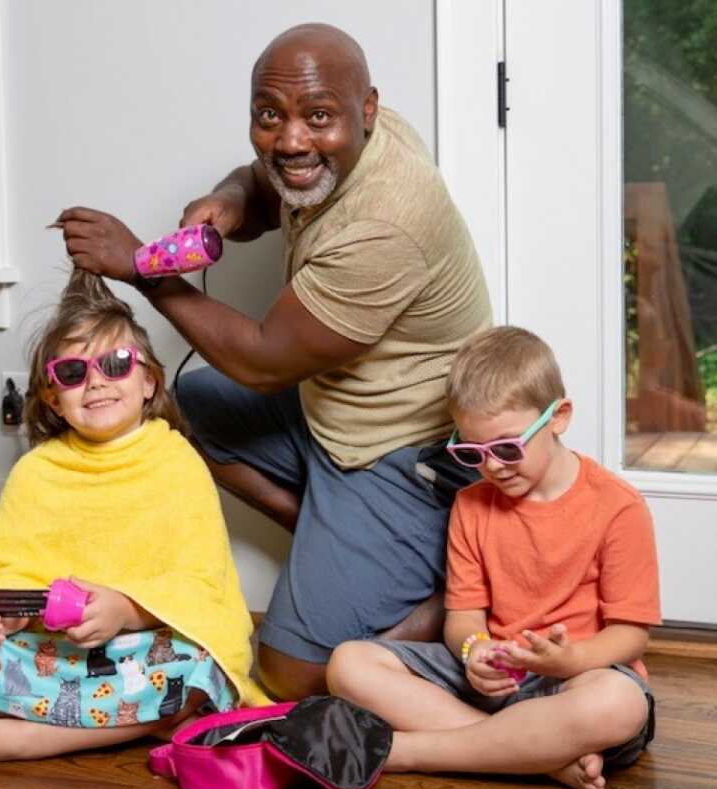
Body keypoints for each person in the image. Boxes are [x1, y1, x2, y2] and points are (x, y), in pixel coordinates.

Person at [55, 23, 491, 699]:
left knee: (289, 676)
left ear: (367, 111)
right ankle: (336, 532)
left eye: (317, 116)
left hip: (400, 451)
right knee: (174, 411)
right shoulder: (338, 141)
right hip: (331, 408)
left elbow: (261, 361)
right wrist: (229, 204)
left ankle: (441, 598)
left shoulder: (388, 221)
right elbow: (267, 182)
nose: (290, 140)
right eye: (269, 116)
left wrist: (141, 268)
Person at [0, 269, 267, 769]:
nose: (97, 382)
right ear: (52, 398)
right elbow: (8, 570)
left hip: (140, 648)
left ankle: (21, 739)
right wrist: (7, 614)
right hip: (52, 652)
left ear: (149, 380)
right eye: (72, 373)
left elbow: (201, 586)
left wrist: (127, 610)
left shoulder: (178, 464)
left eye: (116, 363)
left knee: (201, 667)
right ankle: (117, 726)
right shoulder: (36, 472)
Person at [325, 326, 661, 789]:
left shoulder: (618, 506)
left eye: (506, 448)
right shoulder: (471, 505)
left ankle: (411, 752)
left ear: (559, 417)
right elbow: (464, 620)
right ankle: (540, 761)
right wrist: (474, 651)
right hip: (498, 682)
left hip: (579, 679)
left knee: (619, 705)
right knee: (348, 664)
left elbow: (632, 635)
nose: (493, 467)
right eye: (472, 453)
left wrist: (571, 660)